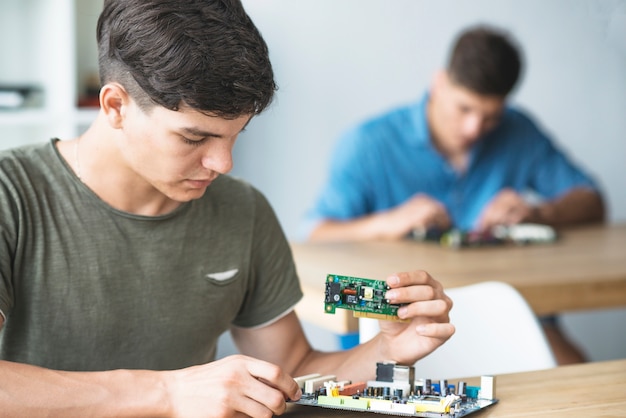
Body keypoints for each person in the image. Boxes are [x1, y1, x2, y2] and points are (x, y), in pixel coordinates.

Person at [0, 1, 455, 416]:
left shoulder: (243, 210)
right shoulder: (11, 195)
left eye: (236, 134)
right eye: (194, 138)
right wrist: (169, 394)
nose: (223, 163)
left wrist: (386, 350)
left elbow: (292, 368)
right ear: (115, 105)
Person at [303, 25, 605, 365]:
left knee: (578, 374)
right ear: (439, 83)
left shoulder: (519, 131)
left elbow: (592, 200)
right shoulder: (368, 143)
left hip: (513, 316)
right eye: (464, 109)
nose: (474, 128)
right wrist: (388, 223)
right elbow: (315, 234)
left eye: (490, 116)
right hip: (397, 323)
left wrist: (538, 214)